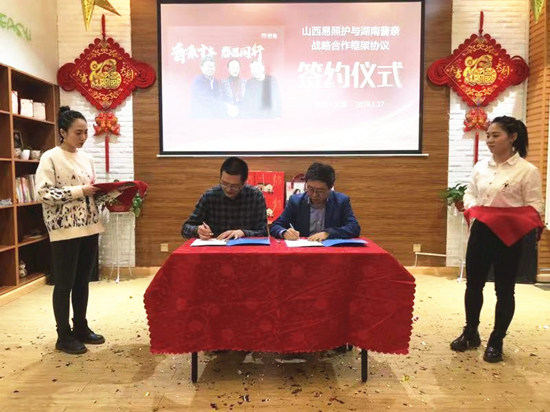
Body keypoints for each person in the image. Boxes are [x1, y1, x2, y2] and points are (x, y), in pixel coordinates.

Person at [450, 116, 544, 363]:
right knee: (473, 285)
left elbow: (535, 205)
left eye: (495, 135)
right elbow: (470, 193)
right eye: (488, 136)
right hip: (481, 231)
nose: (490, 140)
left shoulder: (527, 170)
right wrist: (473, 209)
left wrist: (514, 220)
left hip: (509, 235)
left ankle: (497, 339)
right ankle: (470, 332)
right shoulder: (481, 167)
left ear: (512, 137)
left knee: (504, 289)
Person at [35, 106, 108, 355]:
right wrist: (80, 191)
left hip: (89, 227)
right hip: (64, 230)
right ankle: (63, 335)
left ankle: (81, 327)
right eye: (78, 132)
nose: (83, 137)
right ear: (63, 132)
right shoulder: (50, 157)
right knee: (64, 283)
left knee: (82, 281)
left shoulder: (87, 158)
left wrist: (109, 194)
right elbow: (44, 194)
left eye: (86, 132)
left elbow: (90, 193)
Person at [270, 162, 360, 241]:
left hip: (330, 251)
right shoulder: (295, 201)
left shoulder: (341, 201)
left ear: (330, 187)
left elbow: (354, 228)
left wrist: (328, 233)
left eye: (320, 191)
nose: (314, 195)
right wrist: (284, 232)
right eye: (310, 189)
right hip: (303, 250)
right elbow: (275, 226)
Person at [182, 157, 268, 240]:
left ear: (243, 183)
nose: (228, 189)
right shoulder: (210, 196)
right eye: (224, 183)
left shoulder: (255, 196)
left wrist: (243, 233)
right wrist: (197, 230)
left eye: (234, 186)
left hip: (246, 247)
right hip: (215, 247)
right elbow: (186, 229)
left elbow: (264, 232)